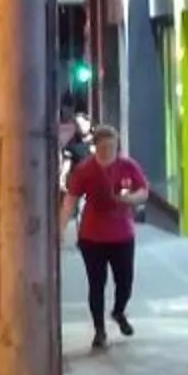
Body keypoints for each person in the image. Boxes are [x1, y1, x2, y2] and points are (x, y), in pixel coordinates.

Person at [62, 125, 149, 350]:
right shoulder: (85, 170)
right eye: (105, 146)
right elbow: (70, 200)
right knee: (96, 284)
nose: (109, 150)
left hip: (122, 233)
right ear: (97, 146)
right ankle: (99, 329)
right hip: (93, 236)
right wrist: (60, 229)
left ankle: (118, 311)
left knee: (125, 281)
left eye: (113, 146)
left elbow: (143, 191)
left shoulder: (127, 165)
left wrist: (131, 199)